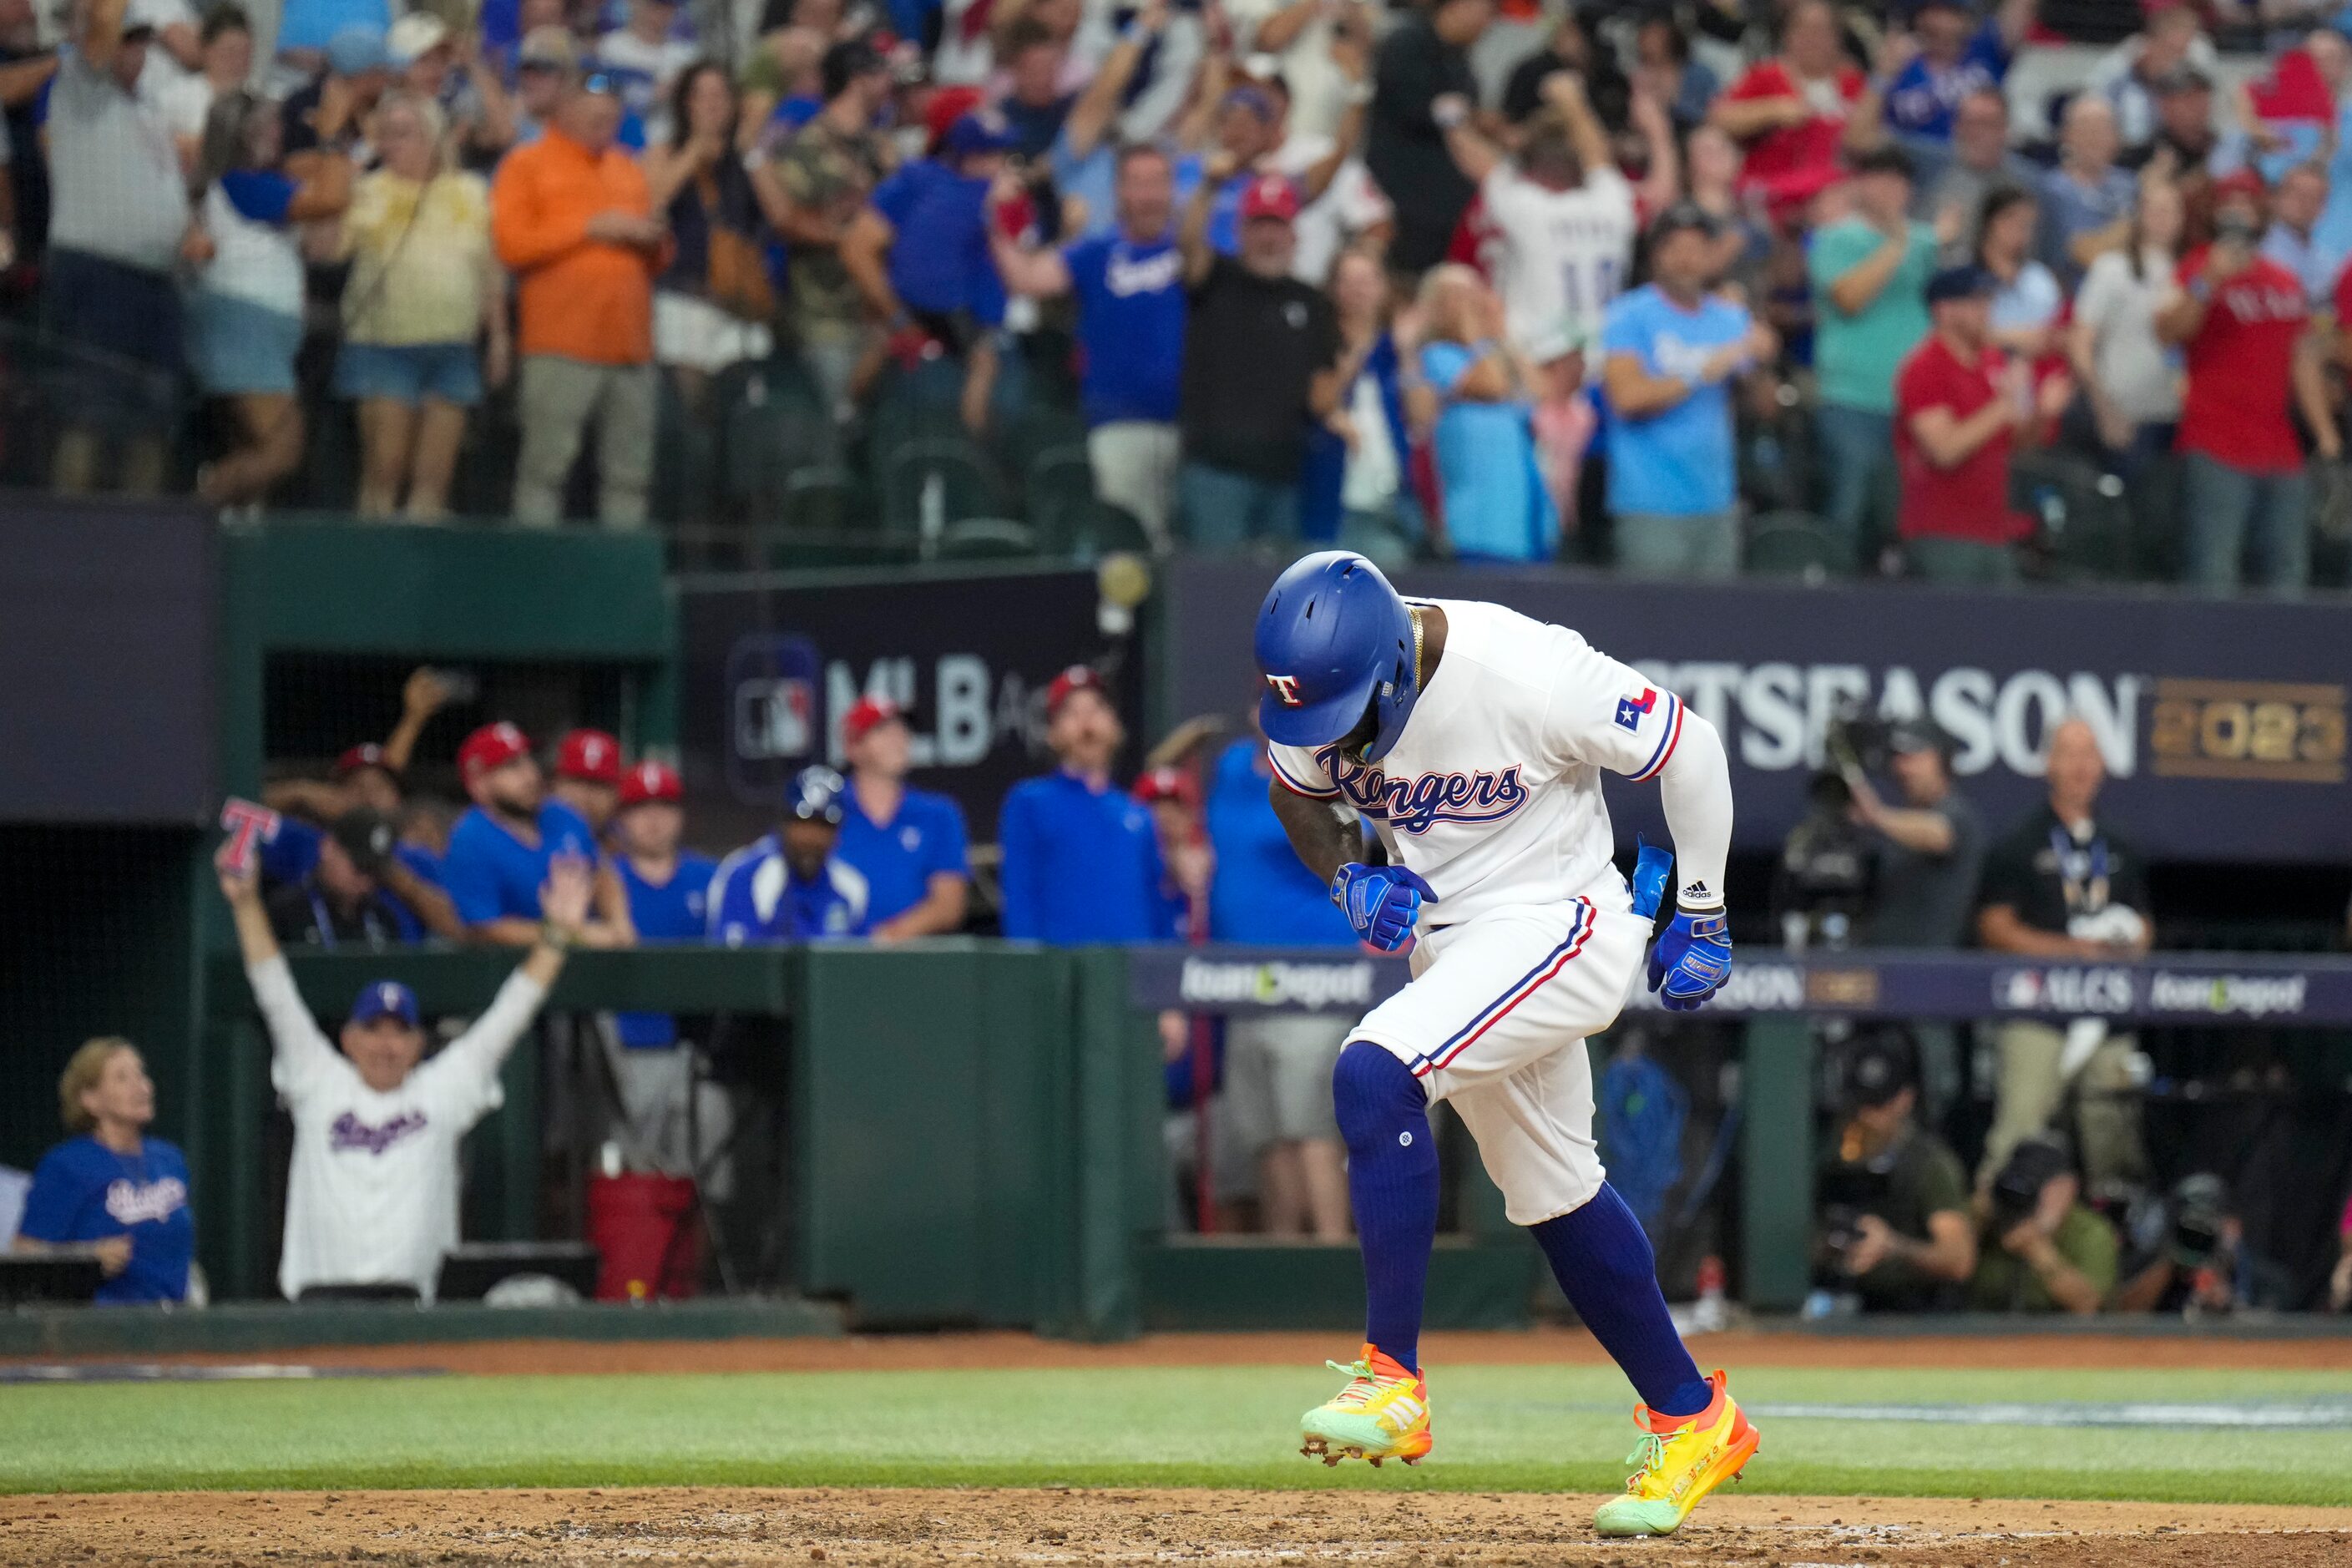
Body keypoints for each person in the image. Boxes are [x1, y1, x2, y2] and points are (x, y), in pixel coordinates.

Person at [1256, 552, 1749, 1535]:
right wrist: (1348, 874)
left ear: (1392, 664)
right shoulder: (1323, 686)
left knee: (1373, 1072)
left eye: (1347, 711)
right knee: (1558, 1196)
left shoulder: (1526, 668)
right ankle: (1695, 1416)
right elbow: (1296, 791)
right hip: (1455, 948)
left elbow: (1687, 747)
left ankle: (1392, 1379)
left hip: (1560, 920)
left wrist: (1702, 906)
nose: (1335, 736)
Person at [219, 848, 587, 1302]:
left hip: (414, 1309)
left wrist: (556, 938)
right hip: (317, 1306)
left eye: (400, 1033)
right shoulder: (319, 1080)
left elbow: (511, 1011)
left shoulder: (441, 1090)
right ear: (348, 1040)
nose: (387, 1046)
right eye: (373, 1030)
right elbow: (273, 989)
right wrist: (246, 903)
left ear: (418, 1045)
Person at [1974, 717, 2152, 1192]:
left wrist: (2125, 940)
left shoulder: (2119, 846)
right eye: (2068, 753)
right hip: (2038, 1008)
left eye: (2089, 754)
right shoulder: (2020, 841)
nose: (2079, 765)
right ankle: (1992, 1239)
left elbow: (2144, 923)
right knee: (2017, 1133)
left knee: (2114, 1139)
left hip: (2107, 1012)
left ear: (2103, 767)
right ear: (2047, 764)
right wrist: (2074, 951)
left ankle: (2117, 1248)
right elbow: (1994, 927)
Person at [989, 141, 1187, 546]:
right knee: (1130, 545)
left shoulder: (1194, 253)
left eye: (1157, 182)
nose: (1148, 195)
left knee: (1194, 550)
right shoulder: (1096, 252)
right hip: (1117, 425)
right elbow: (1027, 279)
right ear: (1118, 191)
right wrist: (996, 219)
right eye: (1137, 183)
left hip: (1192, 428)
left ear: (1172, 189)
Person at [42, 0, 201, 498]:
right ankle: (68, 538)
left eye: (140, 42)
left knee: (154, 420)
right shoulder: (79, 91)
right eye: (126, 41)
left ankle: (140, 538)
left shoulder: (150, 110)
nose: (134, 51)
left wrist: (185, 230)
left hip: (155, 280)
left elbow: (165, 189)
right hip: (97, 272)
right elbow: (100, 28)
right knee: (88, 412)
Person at [491, 68, 664, 528]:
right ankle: (538, 577)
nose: (605, 128)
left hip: (630, 345)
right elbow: (511, 244)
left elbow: (658, 258)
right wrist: (590, 228)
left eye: (611, 119)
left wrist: (651, 239)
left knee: (630, 476)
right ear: (564, 112)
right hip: (561, 343)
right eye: (595, 119)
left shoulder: (627, 167)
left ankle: (618, 587)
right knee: (546, 470)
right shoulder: (526, 164)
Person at [2156, 170, 2336, 594]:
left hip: (2279, 447)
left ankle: (2284, 660)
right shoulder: (2195, 268)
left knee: (2288, 574)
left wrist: (2326, 434)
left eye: (2247, 203)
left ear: (2262, 211)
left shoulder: (2284, 279)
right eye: (2229, 203)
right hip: (2217, 442)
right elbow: (2168, 332)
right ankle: (2203, 661)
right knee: (2213, 572)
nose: (2238, 212)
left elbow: (2302, 359)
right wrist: (2209, 282)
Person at [336, 90, 505, 521]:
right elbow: (329, 252)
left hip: (453, 345)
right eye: (386, 135)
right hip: (383, 344)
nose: (392, 144)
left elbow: (489, 267)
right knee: (383, 473)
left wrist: (499, 334)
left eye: (403, 134)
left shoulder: (470, 191)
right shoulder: (367, 191)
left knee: (433, 482)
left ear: (433, 138)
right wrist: (336, 180)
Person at [182, 89, 351, 511]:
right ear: (244, 134)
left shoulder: (256, 184)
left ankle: (231, 540)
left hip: (258, 330)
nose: (279, 133)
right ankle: (190, 511)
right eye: (269, 125)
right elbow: (331, 199)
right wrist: (329, 140)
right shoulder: (242, 184)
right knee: (281, 450)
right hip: (244, 326)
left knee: (252, 448)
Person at [1599, 204, 1776, 579]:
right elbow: (1627, 398)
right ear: (1656, 255)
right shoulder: (1629, 314)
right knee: (1650, 629)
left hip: (1717, 504)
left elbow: (1765, 408)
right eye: (1675, 249)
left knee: (1715, 630)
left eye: (1697, 249)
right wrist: (1704, 369)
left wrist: (1760, 362)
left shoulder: (1729, 318)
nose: (1687, 260)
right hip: (1649, 505)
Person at [1176, 167, 1341, 551]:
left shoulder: (1311, 302)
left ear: (1294, 233)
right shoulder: (1215, 279)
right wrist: (1210, 186)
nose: (1269, 236)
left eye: (1278, 225)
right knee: (1217, 592)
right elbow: (1188, 245)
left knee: (1281, 598)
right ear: (1241, 231)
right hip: (1216, 472)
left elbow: (1324, 390)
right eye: (1259, 225)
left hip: (1285, 477)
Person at [1436, 72, 1640, 361]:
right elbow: (1600, 159)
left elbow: (1486, 166)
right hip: (1601, 362)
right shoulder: (1614, 205)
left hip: (1537, 359)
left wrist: (1452, 120)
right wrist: (1573, 101)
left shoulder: (1530, 209)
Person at [838, 109, 1016, 438]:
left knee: (881, 342)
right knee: (983, 362)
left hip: (915, 296)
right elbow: (858, 246)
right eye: (992, 154)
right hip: (946, 302)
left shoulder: (924, 178)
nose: (1000, 162)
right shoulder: (982, 192)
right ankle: (974, 438)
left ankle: (846, 412)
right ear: (970, 157)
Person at [1809, 144, 1945, 571]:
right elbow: (1850, 298)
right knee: (1848, 511)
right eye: (1881, 179)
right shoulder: (1836, 238)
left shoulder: (1929, 242)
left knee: (1903, 520)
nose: (1891, 190)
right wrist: (1897, 243)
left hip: (1915, 406)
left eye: (1900, 181)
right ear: (1860, 185)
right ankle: (1829, 610)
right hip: (1851, 399)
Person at [1894, 264, 2069, 583]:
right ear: (1945, 310)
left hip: (1993, 530)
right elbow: (1944, 450)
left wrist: (2043, 413)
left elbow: (2014, 443)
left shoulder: (1990, 362)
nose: (1986, 312)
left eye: (1988, 302)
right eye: (1976, 303)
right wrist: (2003, 406)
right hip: (1942, 532)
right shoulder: (1924, 367)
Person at [754, 38, 892, 428]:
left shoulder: (880, 149)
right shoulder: (805, 145)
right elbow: (788, 222)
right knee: (833, 431)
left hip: (877, 316)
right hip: (824, 316)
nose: (887, 86)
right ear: (857, 79)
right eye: (879, 75)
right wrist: (854, 234)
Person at [998, 666, 1176, 943]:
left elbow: (1158, 906)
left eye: (1096, 709)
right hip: (1063, 974)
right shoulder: (1030, 803)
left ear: (1115, 725)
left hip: (1132, 973)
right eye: (1071, 713)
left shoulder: (1138, 815)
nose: (1087, 724)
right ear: (1052, 733)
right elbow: (1020, 897)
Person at [12, 1039, 192, 1304]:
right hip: (100, 1326)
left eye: (141, 1074)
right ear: (90, 1099)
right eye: (122, 1078)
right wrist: (85, 1258)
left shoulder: (169, 1158)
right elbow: (23, 1254)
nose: (141, 1086)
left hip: (171, 1322)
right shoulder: (68, 1164)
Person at [644, 63, 774, 429]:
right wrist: (695, 151)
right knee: (688, 411)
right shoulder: (666, 151)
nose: (712, 105)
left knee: (739, 413)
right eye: (701, 95)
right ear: (685, 104)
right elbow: (650, 201)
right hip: (683, 297)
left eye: (720, 95)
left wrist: (752, 151)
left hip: (736, 302)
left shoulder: (745, 159)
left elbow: (781, 215)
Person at [1410, 264, 1557, 564]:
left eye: (1473, 294)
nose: (1471, 304)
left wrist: (1502, 334)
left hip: (1526, 518)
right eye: (1457, 296)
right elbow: (1490, 385)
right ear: (1435, 307)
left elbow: (1541, 390)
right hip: (1479, 523)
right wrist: (1477, 333)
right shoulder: (1437, 356)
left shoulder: (1491, 352)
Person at [1817, 1033, 1975, 1312]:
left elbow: (1958, 1260)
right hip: (1840, 1308)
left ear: (1904, 1100)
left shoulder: (1929, 1162)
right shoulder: (1831, 1155)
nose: (1867, 1116)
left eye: (1879, 1105)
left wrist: (1893, 1246)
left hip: (1919, 1316)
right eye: (1861, 1103)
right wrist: (1832, 1246)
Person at [442, 721, 634, 947]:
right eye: (512, 766)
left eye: (528, 760)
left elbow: (602, 873)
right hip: (507, 972)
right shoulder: (469, 838)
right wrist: (576, 936)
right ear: (479, 784)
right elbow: (483, 929)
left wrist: (620, 923)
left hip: (583, 967)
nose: (530, 774)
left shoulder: (562, 815)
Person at [2069, 177, 2185, 504]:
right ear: (2139, 216)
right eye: (2154, 209)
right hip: (2124, 414)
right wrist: (2103, 408)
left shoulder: (2190, 274)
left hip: (2173, 418)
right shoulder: (2112, 269)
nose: (2162, 218)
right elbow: (2080, 342)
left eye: (2171, 210)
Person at [1305, 247, 1417, 564]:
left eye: (1367, 280)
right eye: (1348, 281)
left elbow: (1422, 416)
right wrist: (1356, 349)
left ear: (1384, 287)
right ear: (1333, 288)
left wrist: (1407, 354)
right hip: (1335, 502)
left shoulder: (1396, 347)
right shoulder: (1319, 339)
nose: (1358, 291)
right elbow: (1321, 402)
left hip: (1392, 501)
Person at [1363, 0, 1490, 276]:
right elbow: (1415, 106)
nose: (1487, 23)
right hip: (1404, 194)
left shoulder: (1460, 59)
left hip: (1446, 204)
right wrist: (1448, 111)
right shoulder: (1405, 43)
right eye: (1485, 11)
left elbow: (1465, 109)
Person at [1712, 0, 1869, 215]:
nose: (1813, 39)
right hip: (1773, 191)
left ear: (1837, 38)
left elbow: (1872, 135)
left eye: (1822, 31)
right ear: (1788, 35)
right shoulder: (1766, 76)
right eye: (1804, 29)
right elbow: (1720, 117)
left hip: (1836, 196)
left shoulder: (1853, 82)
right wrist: (1773, 110)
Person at [833, 695, 972, 940]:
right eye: (883, 730)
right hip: (833, 956)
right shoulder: (827, 812)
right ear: (853, 747)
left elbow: (949, 905)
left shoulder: (938, 814)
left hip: (917, 962)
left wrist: (888, 937)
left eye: (902, 729)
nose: (898, 739)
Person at [709, 766, 874, 942]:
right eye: (802, 823)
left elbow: (858, 962)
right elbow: (732, 962)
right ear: (783, 824)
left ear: (837, 833)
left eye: (822, 826)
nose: (811, 837)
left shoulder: (850, 885)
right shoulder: (746, 876)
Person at [1968, 1136, 2118, 1313]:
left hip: (2059, 1338)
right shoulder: (1994, 1216)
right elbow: (1951, 1272)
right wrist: (1976, 1223)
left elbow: (2088, 1306)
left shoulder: (2091, 1232)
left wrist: (2038, 1251)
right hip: (1979, 1334)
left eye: (2035, 1187)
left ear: (2068, 1189)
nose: (2024, 1196)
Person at [266, 806, 443, 946]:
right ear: (328, 847)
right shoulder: (283, 911)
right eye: (359, 868)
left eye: (374, 872)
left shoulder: (384, 917)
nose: (366, 881)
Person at [1880, 0, 2035, 149]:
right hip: (1919, 161)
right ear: (1919, 18)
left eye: (1951, 12)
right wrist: (1885, 72)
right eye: (1934, 11)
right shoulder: (1901, 66)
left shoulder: (1986, 49)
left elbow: (2018, 14)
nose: (1942, 22)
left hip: (1981, 158)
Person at [1917, 88, 2038, 255]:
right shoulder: (1928, 164)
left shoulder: (2028, 183)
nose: (1977, 132)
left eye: (1988, 123)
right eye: (1970, 123)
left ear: (2005, 129)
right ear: (1955, 127)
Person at [2036, 95, 2135, 286]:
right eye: (2085, 129)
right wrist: (2132, 225)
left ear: (2117, 137)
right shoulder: (2054, 190)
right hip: (2076, 296)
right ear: (2066, 135)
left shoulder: (2129, 184)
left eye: (2103, 129)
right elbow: (2087, 254)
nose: (2094, 138)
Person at [1976, 186, 2061, 361]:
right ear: (1992, 221)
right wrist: (2012, 337)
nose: (2022, 232)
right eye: (2014, 222)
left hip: (2031, 374)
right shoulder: (1963, 276)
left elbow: (2053, 335)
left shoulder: (2040, 279)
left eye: (2028, 225)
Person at [597, 0, 695, 145]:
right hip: (624, 140)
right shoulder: (612, 47)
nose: (661, 13)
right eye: (655, 6)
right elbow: (604, 96)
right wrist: (652, 95)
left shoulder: (685, 54)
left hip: (669, 141)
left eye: (668, 8)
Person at [2261, 161, 2334, 306]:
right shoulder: (2258, 250)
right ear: (2276, 199)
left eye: (2314, 198)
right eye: (2297, 194)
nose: (2304, 203)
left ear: (2323, 208)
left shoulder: (2328, 263)